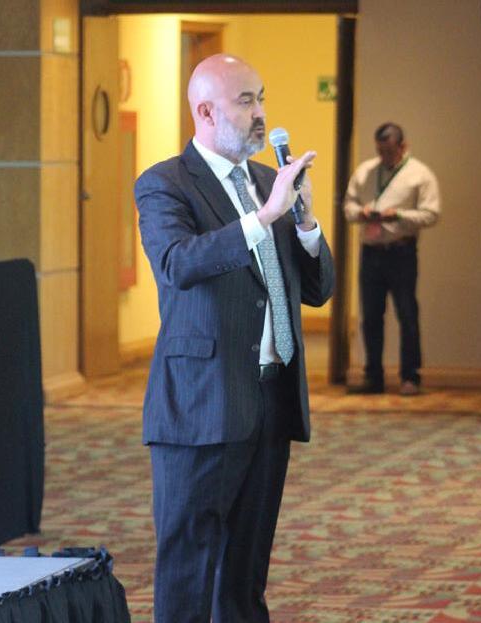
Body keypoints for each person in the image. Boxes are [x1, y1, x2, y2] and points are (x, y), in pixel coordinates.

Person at [134, 54, 334, 622]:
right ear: (205, 112)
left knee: (245, 575)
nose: (260, 113)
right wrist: (263, 218)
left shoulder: (270, 182)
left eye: (261, 98)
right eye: (246, 101)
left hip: (269, 398)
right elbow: (177, 263)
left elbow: (317, 290)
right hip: (202, 401)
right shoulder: (165, 184)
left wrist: (305, 223)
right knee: (189, 568)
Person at [344, 122, 439, 396]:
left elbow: (431, 214)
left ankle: (410, 377)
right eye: (380, 151)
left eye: (389, 151)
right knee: (371, 316)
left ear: (403, 146)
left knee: (407, 314)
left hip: (401, 251)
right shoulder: (365, 171)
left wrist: (398, 215)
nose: (384, 156)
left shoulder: (420, 175)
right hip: (371, 252)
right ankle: (373, 377)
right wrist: (361, 212)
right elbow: (348, 206)